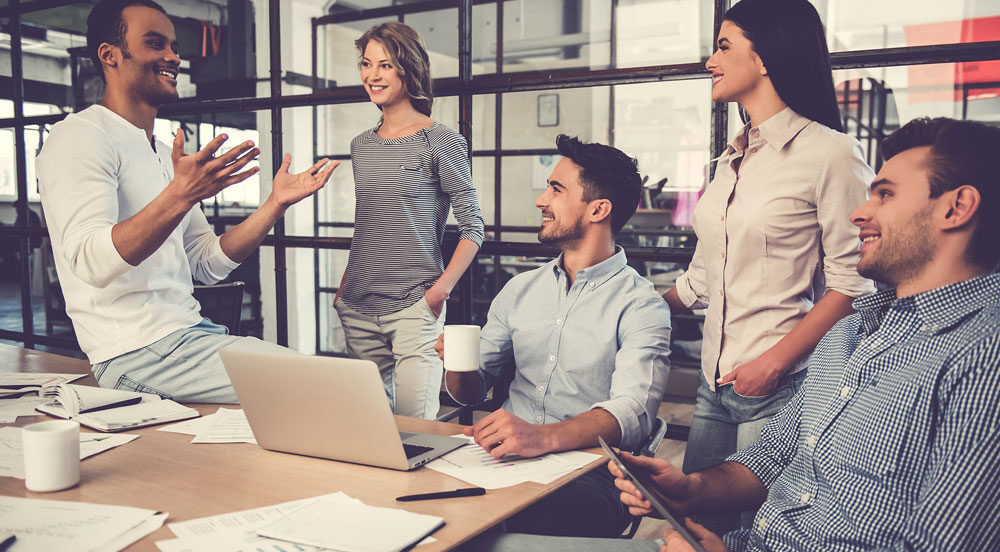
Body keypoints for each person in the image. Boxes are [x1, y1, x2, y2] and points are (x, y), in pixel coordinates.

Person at [481, 116, 1000, 552]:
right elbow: (772, 458)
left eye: (883, 195)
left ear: (956, 208)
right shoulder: (847, 336)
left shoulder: (982, 356)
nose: (859, 212)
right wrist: (689, 489)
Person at [36, 0, 337, 403]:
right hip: (136, 353)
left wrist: (274, 205)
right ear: (110, 55)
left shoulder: (160, 151)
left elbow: (206, 263)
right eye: (155, 43)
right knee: (330, 388)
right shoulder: (80, 136)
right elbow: (90, 262)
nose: (173, 57)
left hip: (188, 335)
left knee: (334, 389)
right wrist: (179, 196)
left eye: (175, 47)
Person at [659, 0, 875, 530]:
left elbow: (855, 284)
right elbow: (701, 280)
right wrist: (618, 305)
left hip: (781, 386)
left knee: (759, 534)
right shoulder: (732, 160)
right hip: (715, 383)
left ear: (766, 57)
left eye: (724, 46)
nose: (710, 60)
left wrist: (772, 364)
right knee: (695, 526)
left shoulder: (831, 154)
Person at [442, 135, 672, 538]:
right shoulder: (520, 290)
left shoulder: (642, 305)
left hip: (589, 473)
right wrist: (458, 366)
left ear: (599, 209)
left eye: (556, 189)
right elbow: (471, 391)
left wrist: (542, 437)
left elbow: (633, 412)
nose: (540, 200)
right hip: (500, 460)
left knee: (515, 522)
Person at [333, 22, 484, 420]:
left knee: (416, 431)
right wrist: (345, 287)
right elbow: (371, 221)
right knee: (370, 430)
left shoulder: (442, 141)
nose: (372, 75)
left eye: (385, 64)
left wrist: (438, 293)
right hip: (358, 306)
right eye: (367, 64)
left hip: (415, 308)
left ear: (408, 68)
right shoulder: (361, 146)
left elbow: (473, 228)